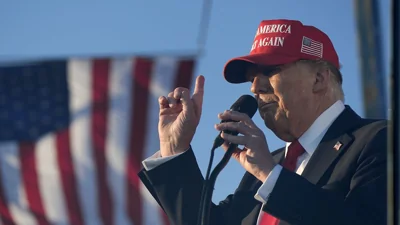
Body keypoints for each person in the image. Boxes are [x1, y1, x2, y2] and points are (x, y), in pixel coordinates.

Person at [138, 19, 387, 225]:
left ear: (319, 79)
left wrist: (270, 174)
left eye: (269, 71)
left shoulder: (380, 140)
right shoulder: (268, 167)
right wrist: (175, 149)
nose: (255, 87)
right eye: (251, 78)